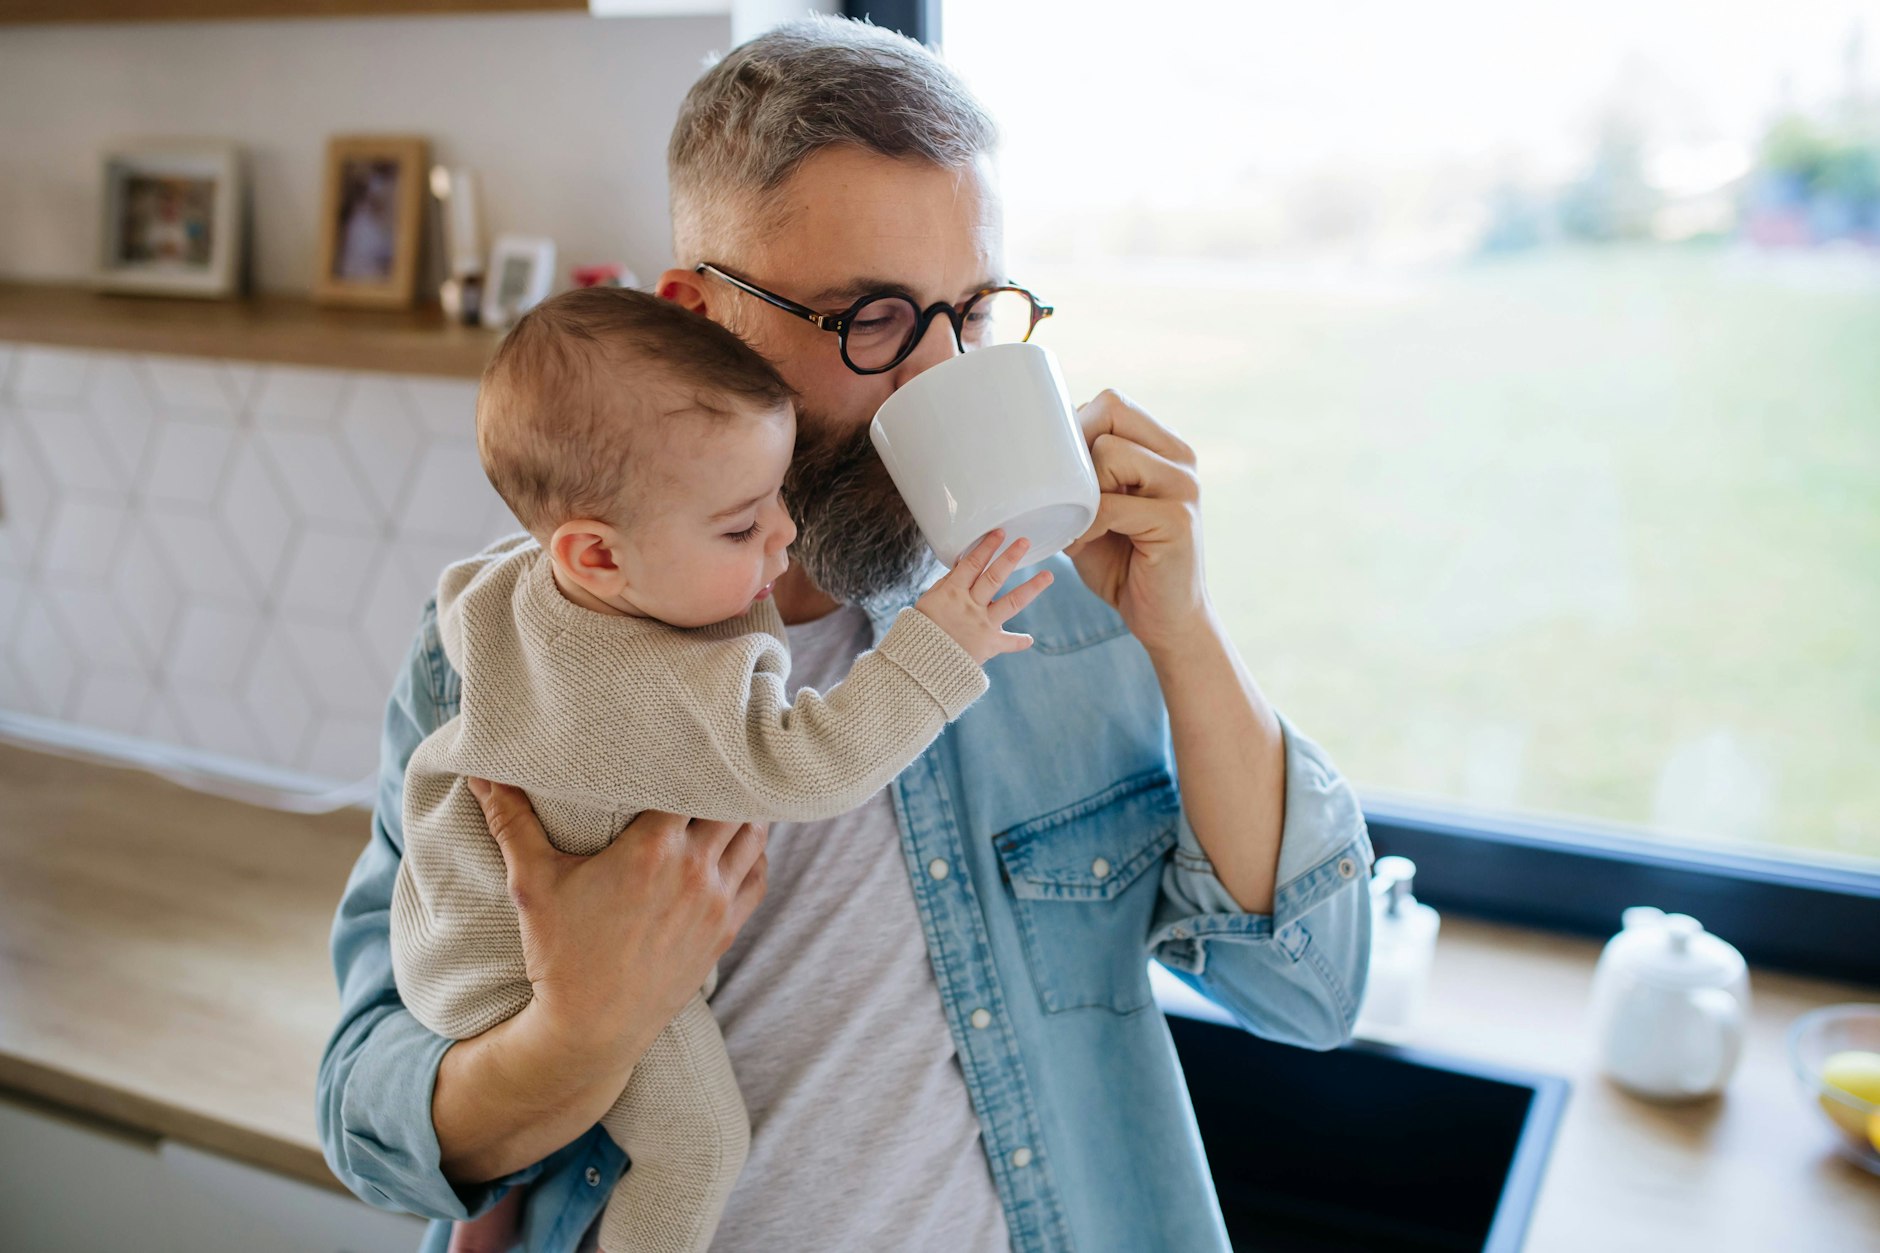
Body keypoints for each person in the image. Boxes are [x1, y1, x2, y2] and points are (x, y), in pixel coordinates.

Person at [318, 17, 1374, 1252]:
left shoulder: (1072, 603)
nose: (931, 376)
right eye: (871, 317)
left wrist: (1181, 633)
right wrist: (580, 1028)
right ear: (696, 314)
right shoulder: (500, 651)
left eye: (968, 312)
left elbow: (1311, 988)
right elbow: (372, 1126)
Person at [391, 286, 1047, 1253]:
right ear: (596, 557)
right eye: (741, 529)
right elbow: (806, 765)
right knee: (698, 1147)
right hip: (520, 981)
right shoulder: (645, 682)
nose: (783, 537)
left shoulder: (526, 580)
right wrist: (938, 644)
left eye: (775, 497)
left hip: (458, 933)